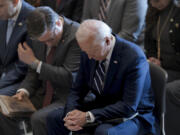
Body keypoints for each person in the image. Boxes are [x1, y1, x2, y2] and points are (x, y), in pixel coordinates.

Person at [46, 19, 156, 135]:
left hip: (134, 115)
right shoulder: (89, 49)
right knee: (54, 118)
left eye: (92, 52)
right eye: (85, 51)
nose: (89, 57)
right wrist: (71, 113)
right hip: (103, 106)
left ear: (107, 41)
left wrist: (88, 116)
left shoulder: (134, 57)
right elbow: (78, 89)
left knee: (103, 132)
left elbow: (128, 106)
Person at [0, 6, 81, 135]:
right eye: (43, 41)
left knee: (39, 119)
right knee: (3, 108)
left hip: (66, 95)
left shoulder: (77, 35)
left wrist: (35, 63)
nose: (47, 44)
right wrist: (24, 91)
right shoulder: (39, 37)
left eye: (50, 39)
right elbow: (33, 71)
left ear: (58, 23)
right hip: (43, 91)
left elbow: (69, 77)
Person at [145, 0, 180, 135]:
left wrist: (163, 63)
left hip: (176, 69)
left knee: (165, 89)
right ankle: (149, 126)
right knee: (140, 77)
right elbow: (149, 42)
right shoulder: (153, 9)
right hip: (163, 66)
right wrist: (153, 58)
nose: (154, 3)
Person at [0, 0, 34, 95]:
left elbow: (23, 65)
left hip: (19, 80)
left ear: (15, 2)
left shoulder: (32, 18)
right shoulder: (4, 12)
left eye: (0, 6)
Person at [81, 0, 148, 45]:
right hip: (92, 49)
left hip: (123, 53)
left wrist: (100, 46)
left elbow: (128, 35)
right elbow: (85, 23)